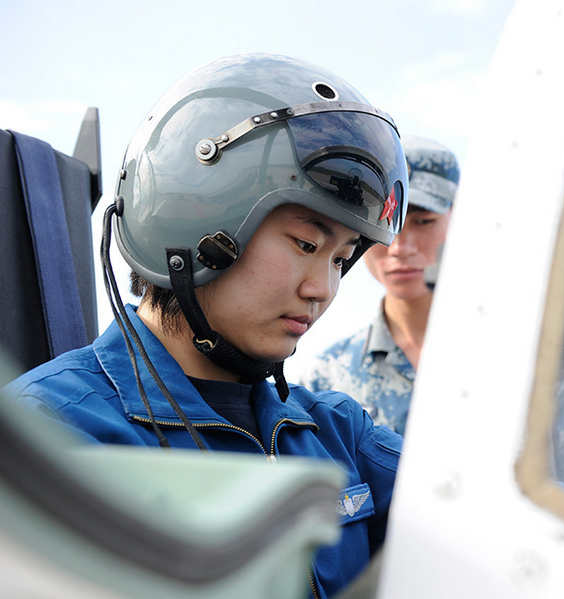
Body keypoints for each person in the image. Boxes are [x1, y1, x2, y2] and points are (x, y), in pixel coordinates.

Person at [5, 53, 409, 599]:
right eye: (306, 244)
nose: (323, 289)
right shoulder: (48, 437)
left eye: (340, 260)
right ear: (197, 222)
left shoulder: (336, 433)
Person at [299, 136, 564, 481]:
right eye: (387, 224)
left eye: (423, 222)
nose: (400, 247)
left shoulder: (536, 364)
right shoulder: (327, 377)